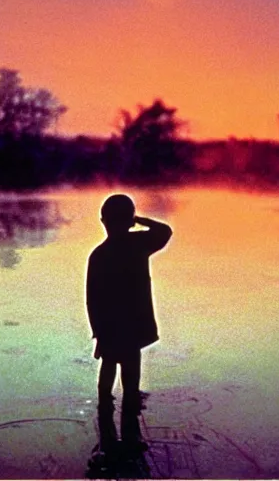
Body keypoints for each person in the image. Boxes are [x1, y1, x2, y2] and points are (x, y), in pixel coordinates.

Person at [85, 193, 172, 451]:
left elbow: (92, 298)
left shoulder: (99, 254)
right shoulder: (139, 243)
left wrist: (97, 330)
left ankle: (106, 408)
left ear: (103, 221)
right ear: (129, 221)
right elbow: (165, 231)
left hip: (111, 326)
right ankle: (128, 409)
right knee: (130, 370)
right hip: (132, 324)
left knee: (109, 366)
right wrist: (139, 220)